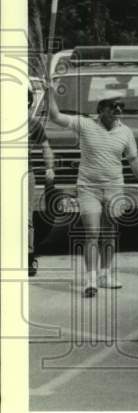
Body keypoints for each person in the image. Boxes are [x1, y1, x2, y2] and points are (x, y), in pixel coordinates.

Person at [46, 84, 138, 296]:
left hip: (114, 188)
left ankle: (105, 274)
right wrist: (50, 92)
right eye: (113, 106)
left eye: (121, 106)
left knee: (110, 233)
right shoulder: (84, 124)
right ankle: (91, 280)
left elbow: (133, 159)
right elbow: (55, 116)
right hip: (88, 189)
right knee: (92, 233)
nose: (118, 110)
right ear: (101, 109)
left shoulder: (126, 132)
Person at [28, 87, 56, 277]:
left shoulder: (33, 124)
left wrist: (49, 168)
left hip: (24, 174)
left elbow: (46, 148)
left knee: (26, 218)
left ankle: (29, 258)